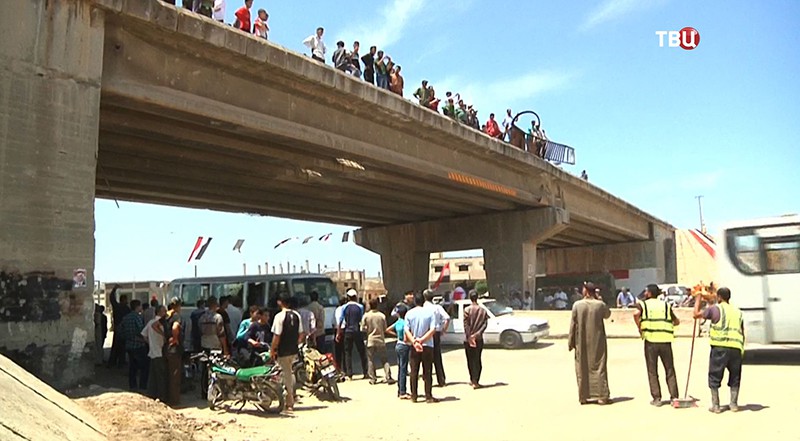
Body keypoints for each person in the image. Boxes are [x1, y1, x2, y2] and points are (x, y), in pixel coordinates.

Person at [693, 287, 744, 413]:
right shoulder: (737, 311)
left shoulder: (715, 309)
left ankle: (716, 406)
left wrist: (698, 298)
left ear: (719, 297)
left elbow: (696, 315)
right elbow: (742, 331)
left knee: (715, 376)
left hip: (720, 347)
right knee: (735, 376)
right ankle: (733, 404)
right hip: (736, 348)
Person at [634, 284, 681, 406]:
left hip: (650, 341)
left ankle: (657, 398)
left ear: (649, 293)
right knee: (669, 369)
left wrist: (640, 327)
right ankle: (674, 397)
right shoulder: (665, 305)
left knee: (652, 370)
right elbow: (676, 321)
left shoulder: (643, 305)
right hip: (665, 340)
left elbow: (635, 314)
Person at [568, 282, 611, 405]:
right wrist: (600, 300)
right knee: (599, 367)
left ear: (586, 291)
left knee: (582, 367)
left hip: (581, 341)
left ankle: (583, 396)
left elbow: (573, 324)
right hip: (597, 342)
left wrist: (571, 342)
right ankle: (602, 396)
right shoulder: (600, 305)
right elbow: (607, 315)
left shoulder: (577, 305)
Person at [270, 292, 305, 412]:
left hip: (283, 350)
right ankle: (289, 398)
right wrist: (296, 344)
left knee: (284, 375)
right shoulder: (296, 315)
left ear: (280, 302)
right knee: (289, 373)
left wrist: (273, 349)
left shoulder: (279, 317)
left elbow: (277, 336)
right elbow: (301, 334)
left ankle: (289, 402)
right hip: (293, 350)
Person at [404, 292, 438, 403]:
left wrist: (415, 341)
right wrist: (422, 340)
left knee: (414, 372)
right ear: (423, 301)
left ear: (414, 301)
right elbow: (432, 330)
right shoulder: (430, 313)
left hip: (414, 346)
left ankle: (414, 396)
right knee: (427, 371)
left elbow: (406, 330)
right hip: (427, 345)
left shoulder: (409, 313)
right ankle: (428, 396)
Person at [198, 296, 229, 399]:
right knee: (217, 369)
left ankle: (204, 392)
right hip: (215, 345)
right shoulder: (218, 317)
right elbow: (221, 334)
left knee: (204, 370)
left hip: (204, 345)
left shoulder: (202, 317)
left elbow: (200, 331)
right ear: (215, 304)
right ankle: (216, 392)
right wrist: (225, 349)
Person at [337, 289, 368, 380]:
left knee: (347, 353)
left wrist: (338, 333)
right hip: (357, 331)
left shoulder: (344, 307)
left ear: (348, 297)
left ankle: (349, 374)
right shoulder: (360, 307)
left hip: (348, 331)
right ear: (355, 297)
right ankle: (365, 372)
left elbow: (340, 321)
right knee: (362, 352)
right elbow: (362, 319)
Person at [362, 299, 394, 385]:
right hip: (380, 339)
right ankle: (388, 376)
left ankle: (372, 378)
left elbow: (362, 328)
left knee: (370, 360)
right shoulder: (382, 316)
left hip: (370, 340)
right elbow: (385, 328)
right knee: (384, 359)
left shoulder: (366, 316)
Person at [423, 289, 450, 387]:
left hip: (425, 334)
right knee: (437, 357)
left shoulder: (422, 308)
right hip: (436, 333)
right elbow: (447, 318)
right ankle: (441, 380)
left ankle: (427, 378)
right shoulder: (437, 307)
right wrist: (444, 330)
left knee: (425, 357)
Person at [120, 300, 148, 391]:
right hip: (138, 345)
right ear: (137, 307)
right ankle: (143, 386)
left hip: (129, 345)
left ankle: (132, 385)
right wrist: (144, 340)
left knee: (132, 367)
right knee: (144, 366)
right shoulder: (137, 317)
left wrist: (128, 337)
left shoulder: (126, 317)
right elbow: (141, 330)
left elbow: (120, 330)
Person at [142, 305, 168, 401]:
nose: (165, 313)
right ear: (160, 312)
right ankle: (161, 396)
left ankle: (151, 394)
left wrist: (150, 343)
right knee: (160, 376)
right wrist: (163, 335)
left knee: (152, 376)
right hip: (159, 352)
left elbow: (143, 335)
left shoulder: (150, 322)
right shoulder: (160, 323)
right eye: (164, 311)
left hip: (152, 351)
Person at [463, 290, 488, 388]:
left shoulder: (467, 310)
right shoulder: (483, 310)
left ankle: (472, 379)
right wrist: (476, 335)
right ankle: (476, 380)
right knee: (477, 360)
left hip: (468, 340)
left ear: (470, 297)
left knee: (470, 360)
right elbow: (484, 325)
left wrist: (470, 337)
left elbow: (466, 325)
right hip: (479, 339)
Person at [163, 297, 185, 406]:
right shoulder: (176, 316)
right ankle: (174, 400)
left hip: (166, 347)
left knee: (168, 374)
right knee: (175, 375)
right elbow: (175, 327)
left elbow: (156, 326)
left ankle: (167, 397)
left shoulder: (165, 316)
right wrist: (175, 338)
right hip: (174, 349)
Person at [386, 304, 410, 399]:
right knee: (404, 369)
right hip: (404, 345)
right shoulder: (405, 323)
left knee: (400, 368)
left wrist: (396, 335)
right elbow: (405, 337)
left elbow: (387, 330)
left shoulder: (398, 322)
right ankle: (403, 391)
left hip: (398, 344)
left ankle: (400, 390)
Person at [107, 284, 130, 368]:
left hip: (117, 328)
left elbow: (111, 298)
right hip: (123, 329)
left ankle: (112, 362)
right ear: (124, 300)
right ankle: (121, 362)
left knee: (116, 346)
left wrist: (114, 289)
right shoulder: (126, 308)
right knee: (122, 347)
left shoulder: (117, 307)